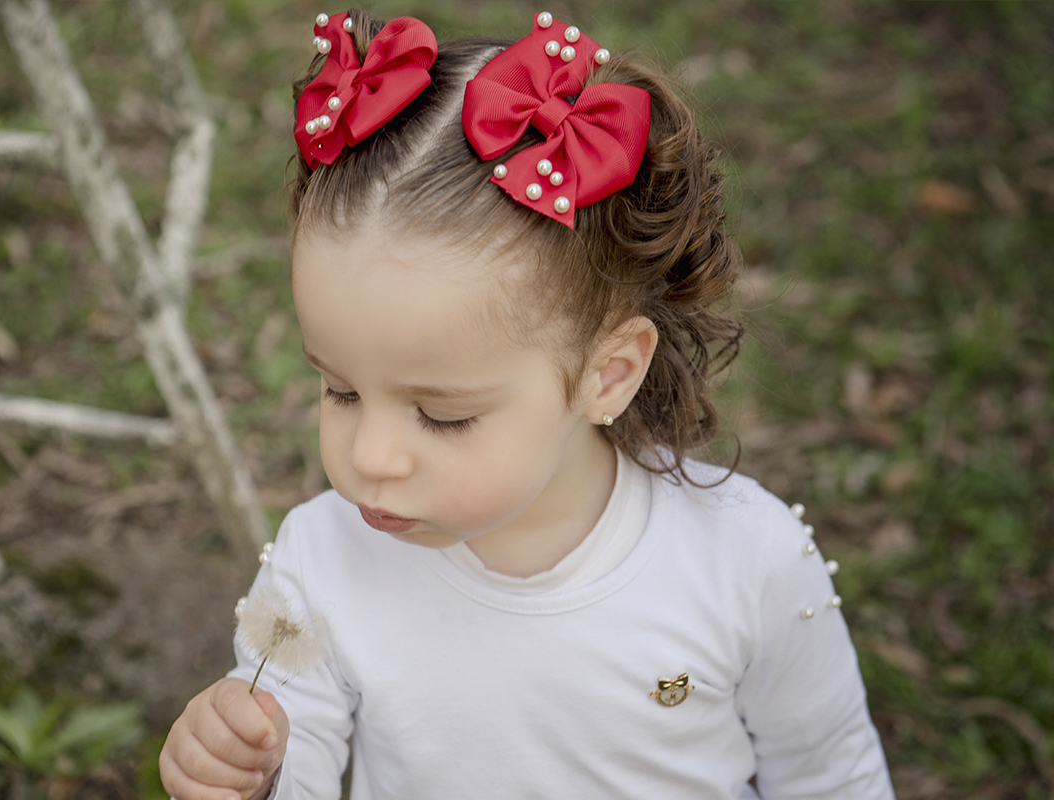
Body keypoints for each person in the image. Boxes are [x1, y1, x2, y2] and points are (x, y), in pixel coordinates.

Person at [160, 9, 896, 800]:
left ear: (607, 375)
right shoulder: (322, 562)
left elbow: (832, 776)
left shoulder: (746, 565)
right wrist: (245, 774)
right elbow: (292, 768)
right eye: (340, 389)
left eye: (443, 416)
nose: (367, 457)